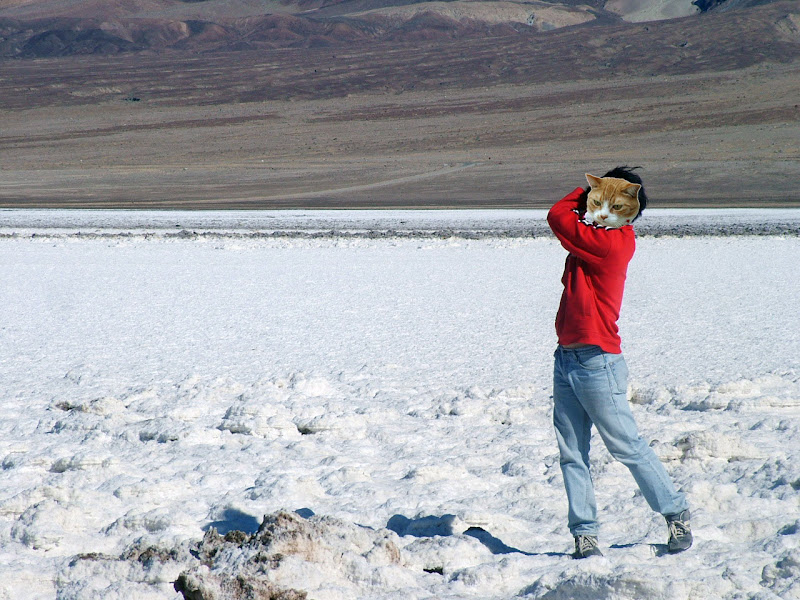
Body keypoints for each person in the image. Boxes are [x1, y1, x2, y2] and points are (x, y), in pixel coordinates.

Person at [546, 167, 692, 559]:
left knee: (625, 445)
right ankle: (585, 535)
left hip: (597, 361)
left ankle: (676, 512)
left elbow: (557, 217)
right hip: (567, 358)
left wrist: (583, 192)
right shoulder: (595, 238)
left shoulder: (611, 244)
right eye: (599, 201)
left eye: (609, 202)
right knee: (572, 453)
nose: (600, 209)